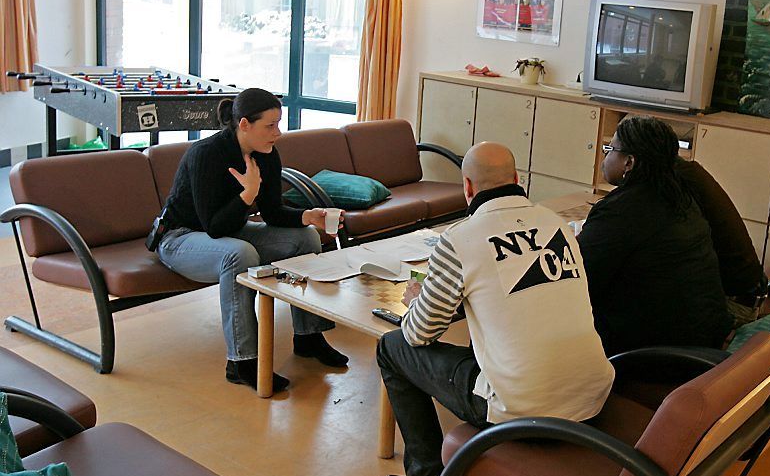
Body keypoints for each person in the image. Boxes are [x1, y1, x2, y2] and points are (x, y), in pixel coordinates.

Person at [377, 142, 614, 476]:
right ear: (517, 178)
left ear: (468, 187)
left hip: (523, 411)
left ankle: (426, 471)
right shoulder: (557, 225)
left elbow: (418, 334)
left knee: (392, 346)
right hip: (592, 396)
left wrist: (418, 300)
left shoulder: (459, 238)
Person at [155, 88, 348, 393]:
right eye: (270, 126)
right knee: (239, 254)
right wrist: (247, 194)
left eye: (278, 124)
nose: (278, 133)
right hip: (180, 239)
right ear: (244, 124)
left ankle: (308, 337)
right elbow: (214, 226)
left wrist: (306, 216)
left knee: (306, 239)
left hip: (229, 232)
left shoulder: (267, 154)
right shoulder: (206, 154)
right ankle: (242, 361)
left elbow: (272, 213)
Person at [577, 116, 731, 356]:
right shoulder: (681, 199)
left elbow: (579, 279)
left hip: (656, 352)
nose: (605, 158)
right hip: (704, 340)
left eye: (610, 150)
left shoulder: (622, 212)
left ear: (629, 162)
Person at [674, 158, 767, 327]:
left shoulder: (674, 184)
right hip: (746, 292)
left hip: (732, 306)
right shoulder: (688, 172)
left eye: (612, 150)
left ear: (630, 161)